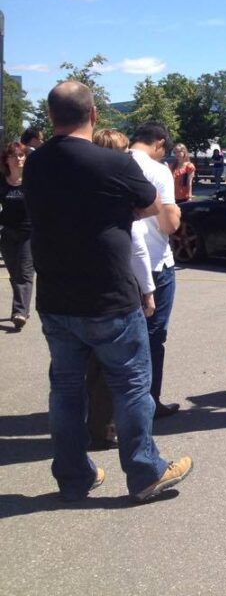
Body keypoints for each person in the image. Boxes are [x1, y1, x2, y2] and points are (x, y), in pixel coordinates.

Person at [23, 80, 192, 502]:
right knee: (132, 383)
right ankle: (145, 469)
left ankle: (74, 475)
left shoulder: (36, 163)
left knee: (65, 388)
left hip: (57, 296)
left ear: (50, 117)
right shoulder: (111, 164)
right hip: (108, 295)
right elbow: (153, 204)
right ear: (94, 114)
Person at [89, 129, 158, 452]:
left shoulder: (81, 188)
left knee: (88, 367)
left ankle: (93, 424)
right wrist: (148, 290)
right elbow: (138, 248)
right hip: (118, 288)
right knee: (128, 372)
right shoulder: (122, 195)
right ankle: (128, 443)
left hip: (79, 285)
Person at [129, 123, 182, 419]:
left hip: (120, 263)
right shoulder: (158, 170)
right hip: (155, 261)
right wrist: (176, 215)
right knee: (152, 337)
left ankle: (111, 407)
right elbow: (168, 223)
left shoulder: (114, 160)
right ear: (159, 143)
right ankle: (150, 401)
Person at [0, 142, 33, 329]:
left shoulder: (32, 181)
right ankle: (23, 308)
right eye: (14, 156)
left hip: (29, 233)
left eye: (22, 155)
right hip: (8, 233)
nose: (19, 159)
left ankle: (19, 312)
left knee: (24, 274)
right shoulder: (2, 182)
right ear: (7, 160)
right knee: (14, 274)